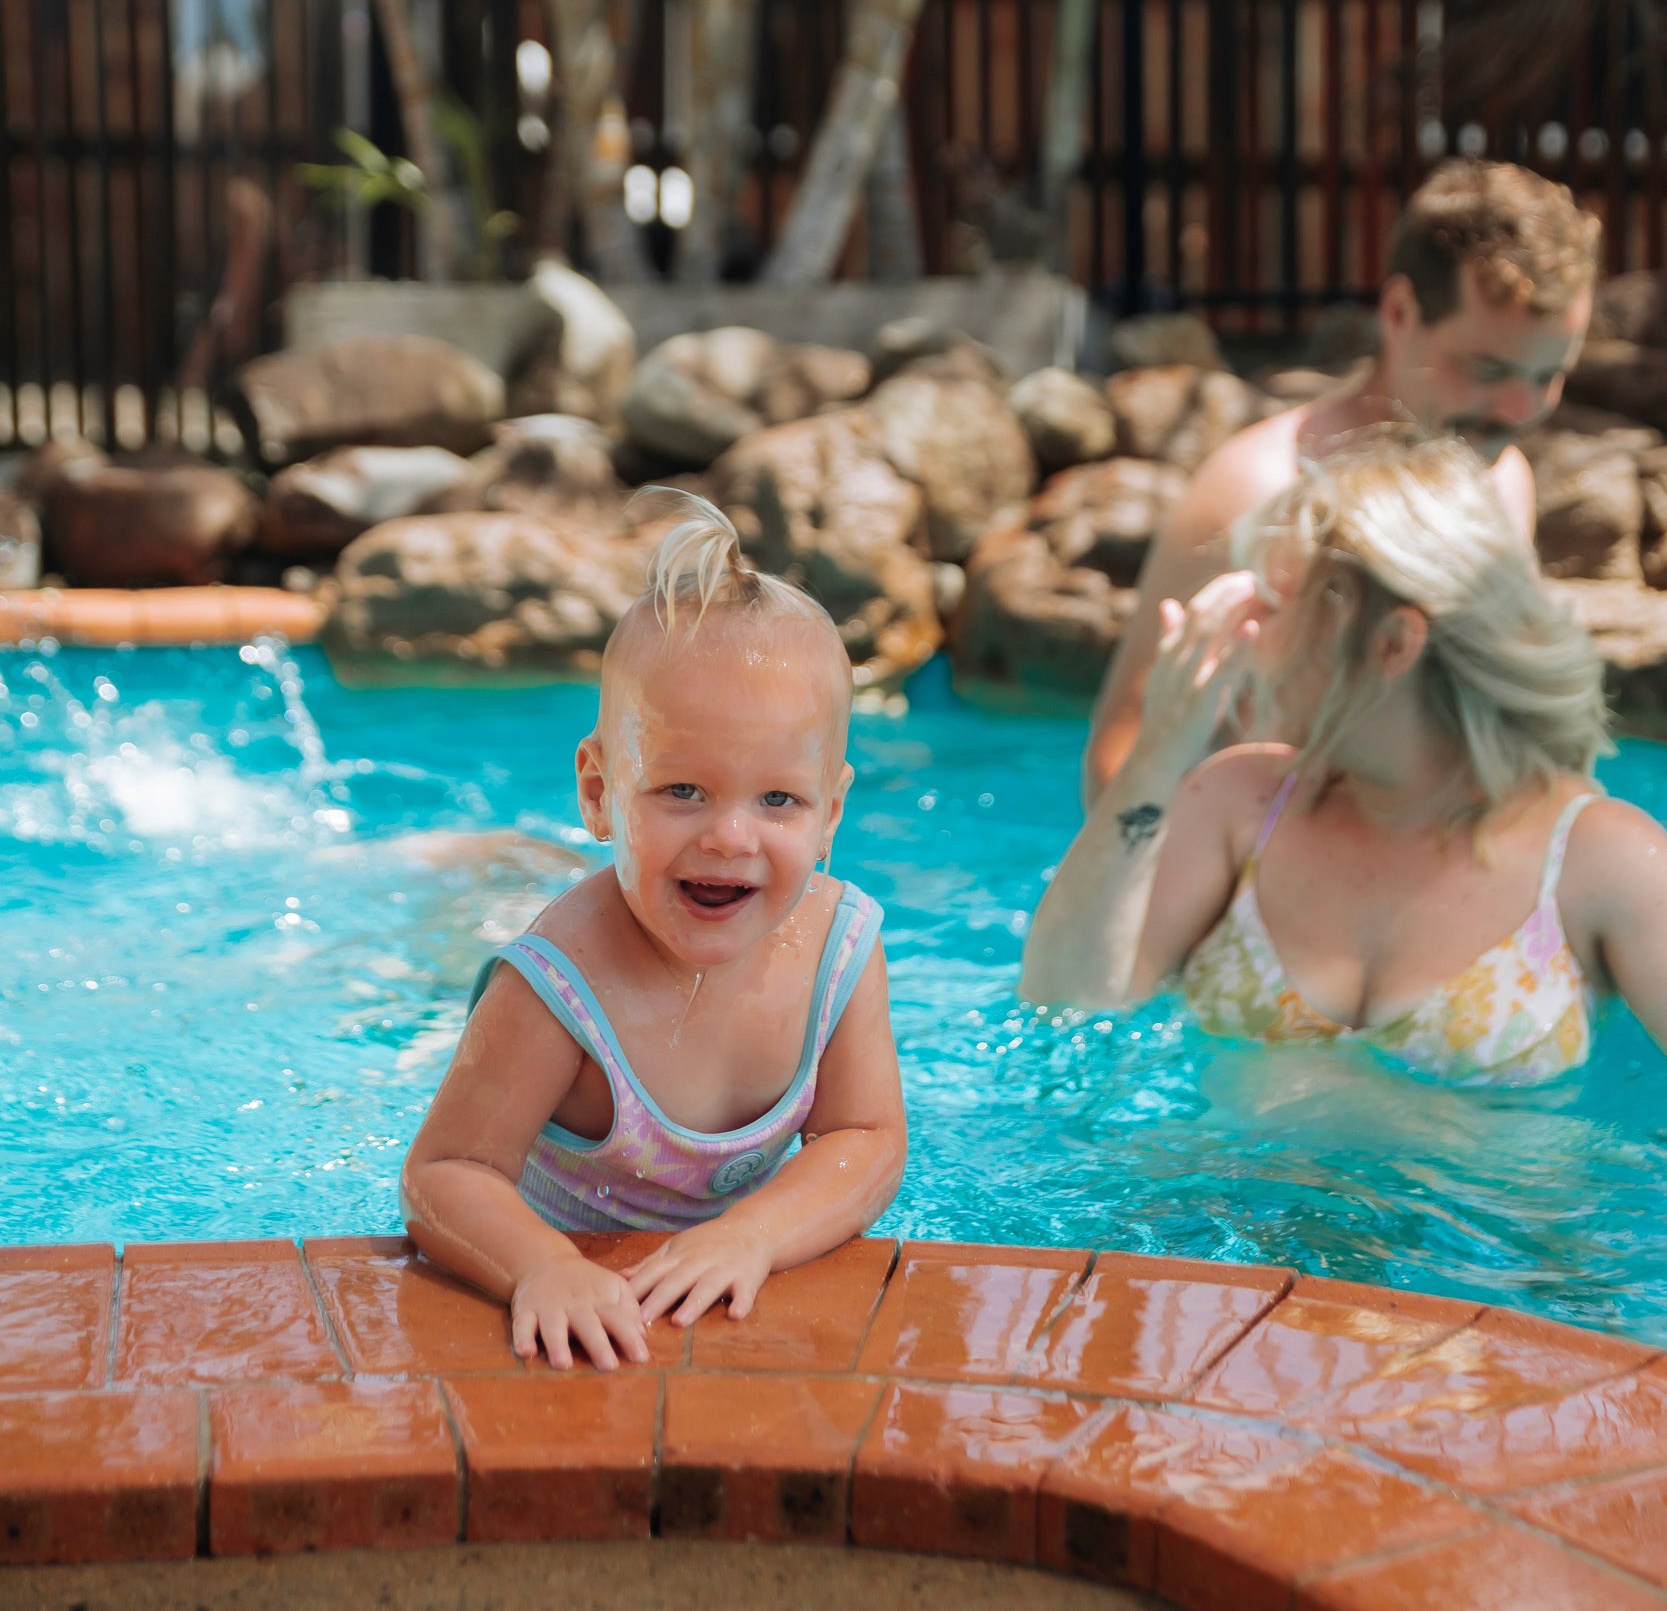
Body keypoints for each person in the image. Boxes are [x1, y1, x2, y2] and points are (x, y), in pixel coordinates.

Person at [402, 495, 906, 1369]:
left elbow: (863, 1139)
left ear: (831, 812)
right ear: (598, 793)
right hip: (577, 1277)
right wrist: (542, 1268)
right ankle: (454, 862)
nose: (729, 837)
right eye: (681, 791)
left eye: (778, 799)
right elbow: (447, 1171)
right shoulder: (557, 987)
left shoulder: (840, 949)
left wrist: (750, 1234)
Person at [1021, 433, 1667, 1082]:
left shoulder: (1599, 860)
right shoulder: (1240, 803)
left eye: (1274, 606)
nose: (1249, 634)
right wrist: (1158, 754)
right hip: (1210, 1186)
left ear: (1390, 643)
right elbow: (1062, 1011)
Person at [1084, 162, 1600, 800]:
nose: (1522, 411)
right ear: (1400, 310)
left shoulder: (1501, 480)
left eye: (1549, 374)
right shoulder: (1257, 491)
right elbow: (1118, 760)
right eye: (1489, 368)